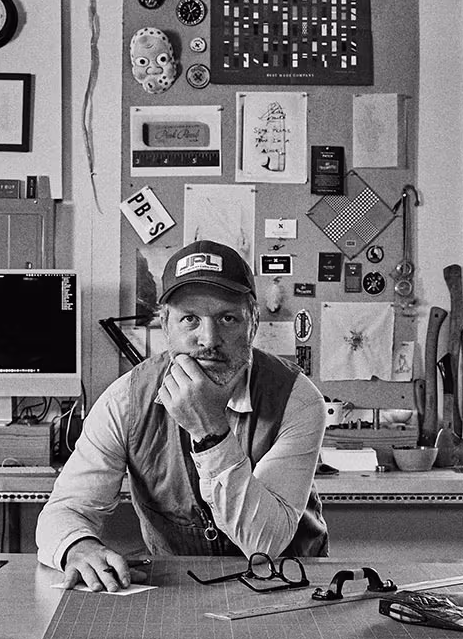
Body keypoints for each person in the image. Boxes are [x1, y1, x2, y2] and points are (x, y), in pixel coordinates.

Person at [37, 240, 327, 591]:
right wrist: (77, 546)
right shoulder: (126, 400)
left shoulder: (297, 398)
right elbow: (64, 510)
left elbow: (265, 545)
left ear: (253, 322)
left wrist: (211, 433)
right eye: (190, 318)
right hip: (178, 587)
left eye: (228, 318)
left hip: (293, 585)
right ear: (165, 324)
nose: (209, 339)